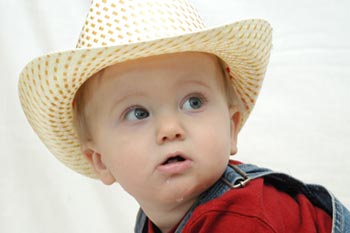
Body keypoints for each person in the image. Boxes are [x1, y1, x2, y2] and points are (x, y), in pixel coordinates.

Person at [18, 0, 349, 232]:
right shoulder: (154, 221)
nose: (170, 129)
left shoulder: (244, 218)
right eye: (138, 112)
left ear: (232, 128)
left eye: (193, 102)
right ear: (100, 161)